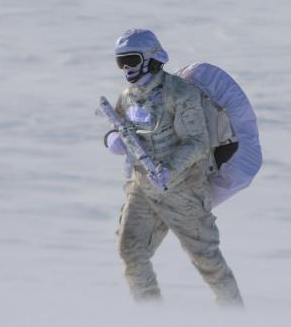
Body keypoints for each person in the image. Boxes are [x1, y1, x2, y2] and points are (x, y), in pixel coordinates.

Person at [103, 29, 243, 305]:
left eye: (131, 60)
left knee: (207, 260)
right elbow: (116, 125)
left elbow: (196, 143)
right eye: (122, 62)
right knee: (131, 251)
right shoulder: (128, 97)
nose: (127, 69)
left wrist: (169, 169)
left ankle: (234, 313)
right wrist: (112, 139)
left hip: (184, 190)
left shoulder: (180, 94)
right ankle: (150, 315)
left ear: (150, 58)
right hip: (143, 188)